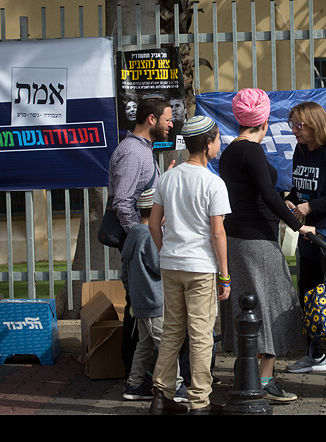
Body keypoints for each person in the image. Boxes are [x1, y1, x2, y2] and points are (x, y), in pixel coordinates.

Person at [219, 88, 316, 403]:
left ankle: (247, 374)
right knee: (273, 305)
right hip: (257, 240)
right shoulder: (252, 151)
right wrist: (298, 226)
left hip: (236, 238)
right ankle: (265, 380)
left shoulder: (230, 151)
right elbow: (269, 194)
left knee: (247, 307)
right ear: (264, 119)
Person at [148, 115, 231, 416]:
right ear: (208, 144)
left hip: (171, 264)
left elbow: (154, 225)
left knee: (172, 331)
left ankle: (161, 396)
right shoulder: (213, 183)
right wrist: (225, 275)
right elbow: (217, 232)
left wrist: (166, 251)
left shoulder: (168, 177)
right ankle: (200, 402)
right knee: (200, 335)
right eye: (218, 139)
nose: (219, 144)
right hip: (201, 267)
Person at [107, 95, 175, 378]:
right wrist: (143, 233)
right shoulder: (133, 152)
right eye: (168, 119)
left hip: (142, 239)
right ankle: (134, 374)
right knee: (139, 307)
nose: (171, 125)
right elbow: (123, 202)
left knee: (141, 306)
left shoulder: (144, 150)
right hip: (139, 240)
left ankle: (139, 375)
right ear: (152, 119)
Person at [285, 101, 326, 374]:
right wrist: (289, 200)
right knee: (308, 295)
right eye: (292, 126)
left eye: (299, 126)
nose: (295, 131)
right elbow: (299, 186)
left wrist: (312, 206)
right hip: (307, 237)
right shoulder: (300, 150)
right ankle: (317, 356)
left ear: (315, 124)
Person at [121, 188, 163, 400]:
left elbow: (124, 274)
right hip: (155, 301)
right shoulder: (150, 236)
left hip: (139, 302)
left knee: (144, 345)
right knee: (165, 344)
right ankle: (176, 384)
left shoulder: (134, 234)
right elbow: (158, 266)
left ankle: (134, 384)